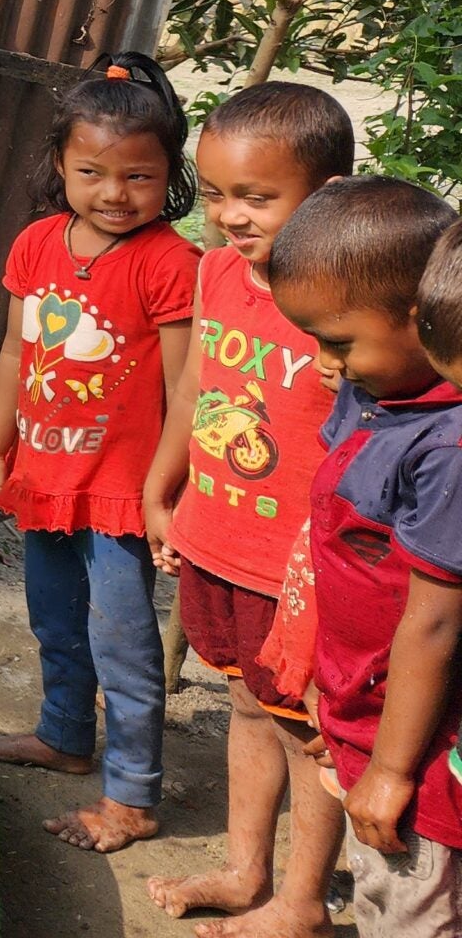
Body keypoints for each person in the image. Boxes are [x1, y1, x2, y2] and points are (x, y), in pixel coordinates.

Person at [0, 54, 201, 853]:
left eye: (137, 176)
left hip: (123, 490)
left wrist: (167, 491)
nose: (112, 192)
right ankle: (64, 737)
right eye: (91, 171)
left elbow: (184, 389)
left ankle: (131, 795)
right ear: (59, 163)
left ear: (168, 175)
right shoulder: (36, 245)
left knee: (123, 642)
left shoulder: (170, 262)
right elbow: (13, 357)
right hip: (45, 476)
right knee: (55, 621)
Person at [142, 84, 354, 937]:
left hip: (297, 566)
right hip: (217, 538)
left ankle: (300, 903)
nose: (230, 216)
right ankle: (242, 871)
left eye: (257, 197)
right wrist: (166, 484)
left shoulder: (350, 296)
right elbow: (198, 383)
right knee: (242, 704)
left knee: (309, 734)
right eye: (218, 193)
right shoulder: (219, 270)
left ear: (329, 195)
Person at [268, 178, 462, 933]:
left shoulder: (447, 450)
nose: (327, 363)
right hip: (372, 726)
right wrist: (346, 716)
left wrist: (388, 767)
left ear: (423, 319)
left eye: (338, 341)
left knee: (414, 912)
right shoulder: (385, 396)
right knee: (383, 899)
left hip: (421, 772)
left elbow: (435, 626)